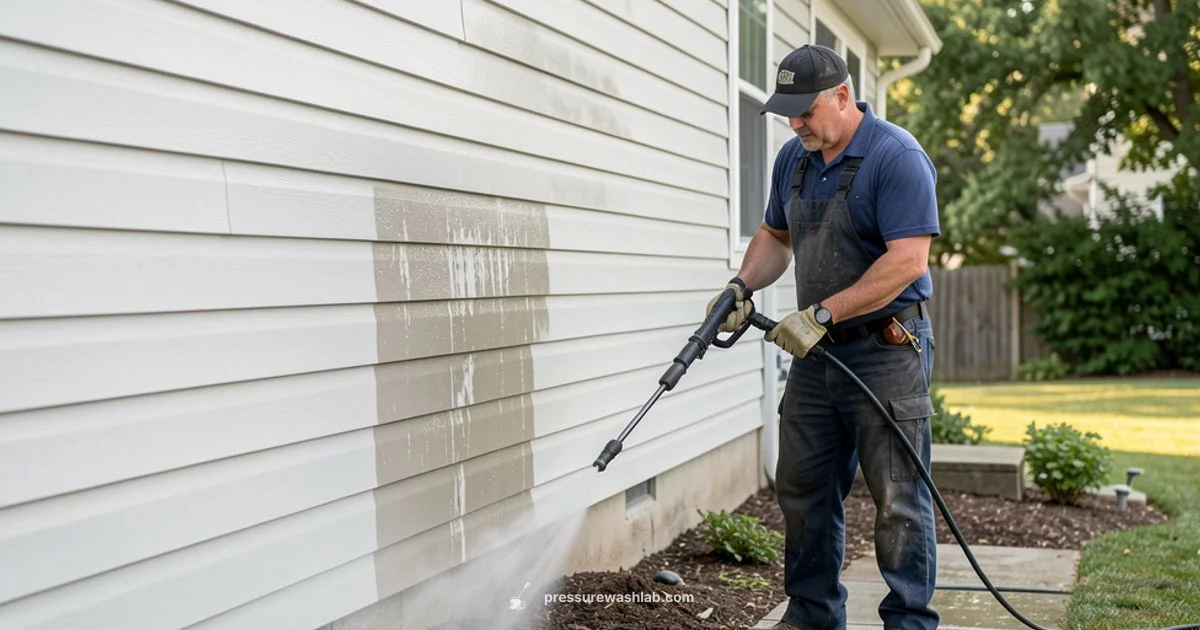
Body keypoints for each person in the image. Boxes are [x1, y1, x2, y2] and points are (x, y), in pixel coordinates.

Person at [707, 44, 940, 629]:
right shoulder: (796, 158)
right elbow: (775, 236)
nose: (796, 123)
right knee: (804, 488)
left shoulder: (896, 156)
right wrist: (740, 287)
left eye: (805, 110)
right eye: (787, 112)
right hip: (818, 354)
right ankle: (811, 616)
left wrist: (823, 314)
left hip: (887, 350)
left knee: (899, 502)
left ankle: (908, 624)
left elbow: (908, 260)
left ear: (842, 95)